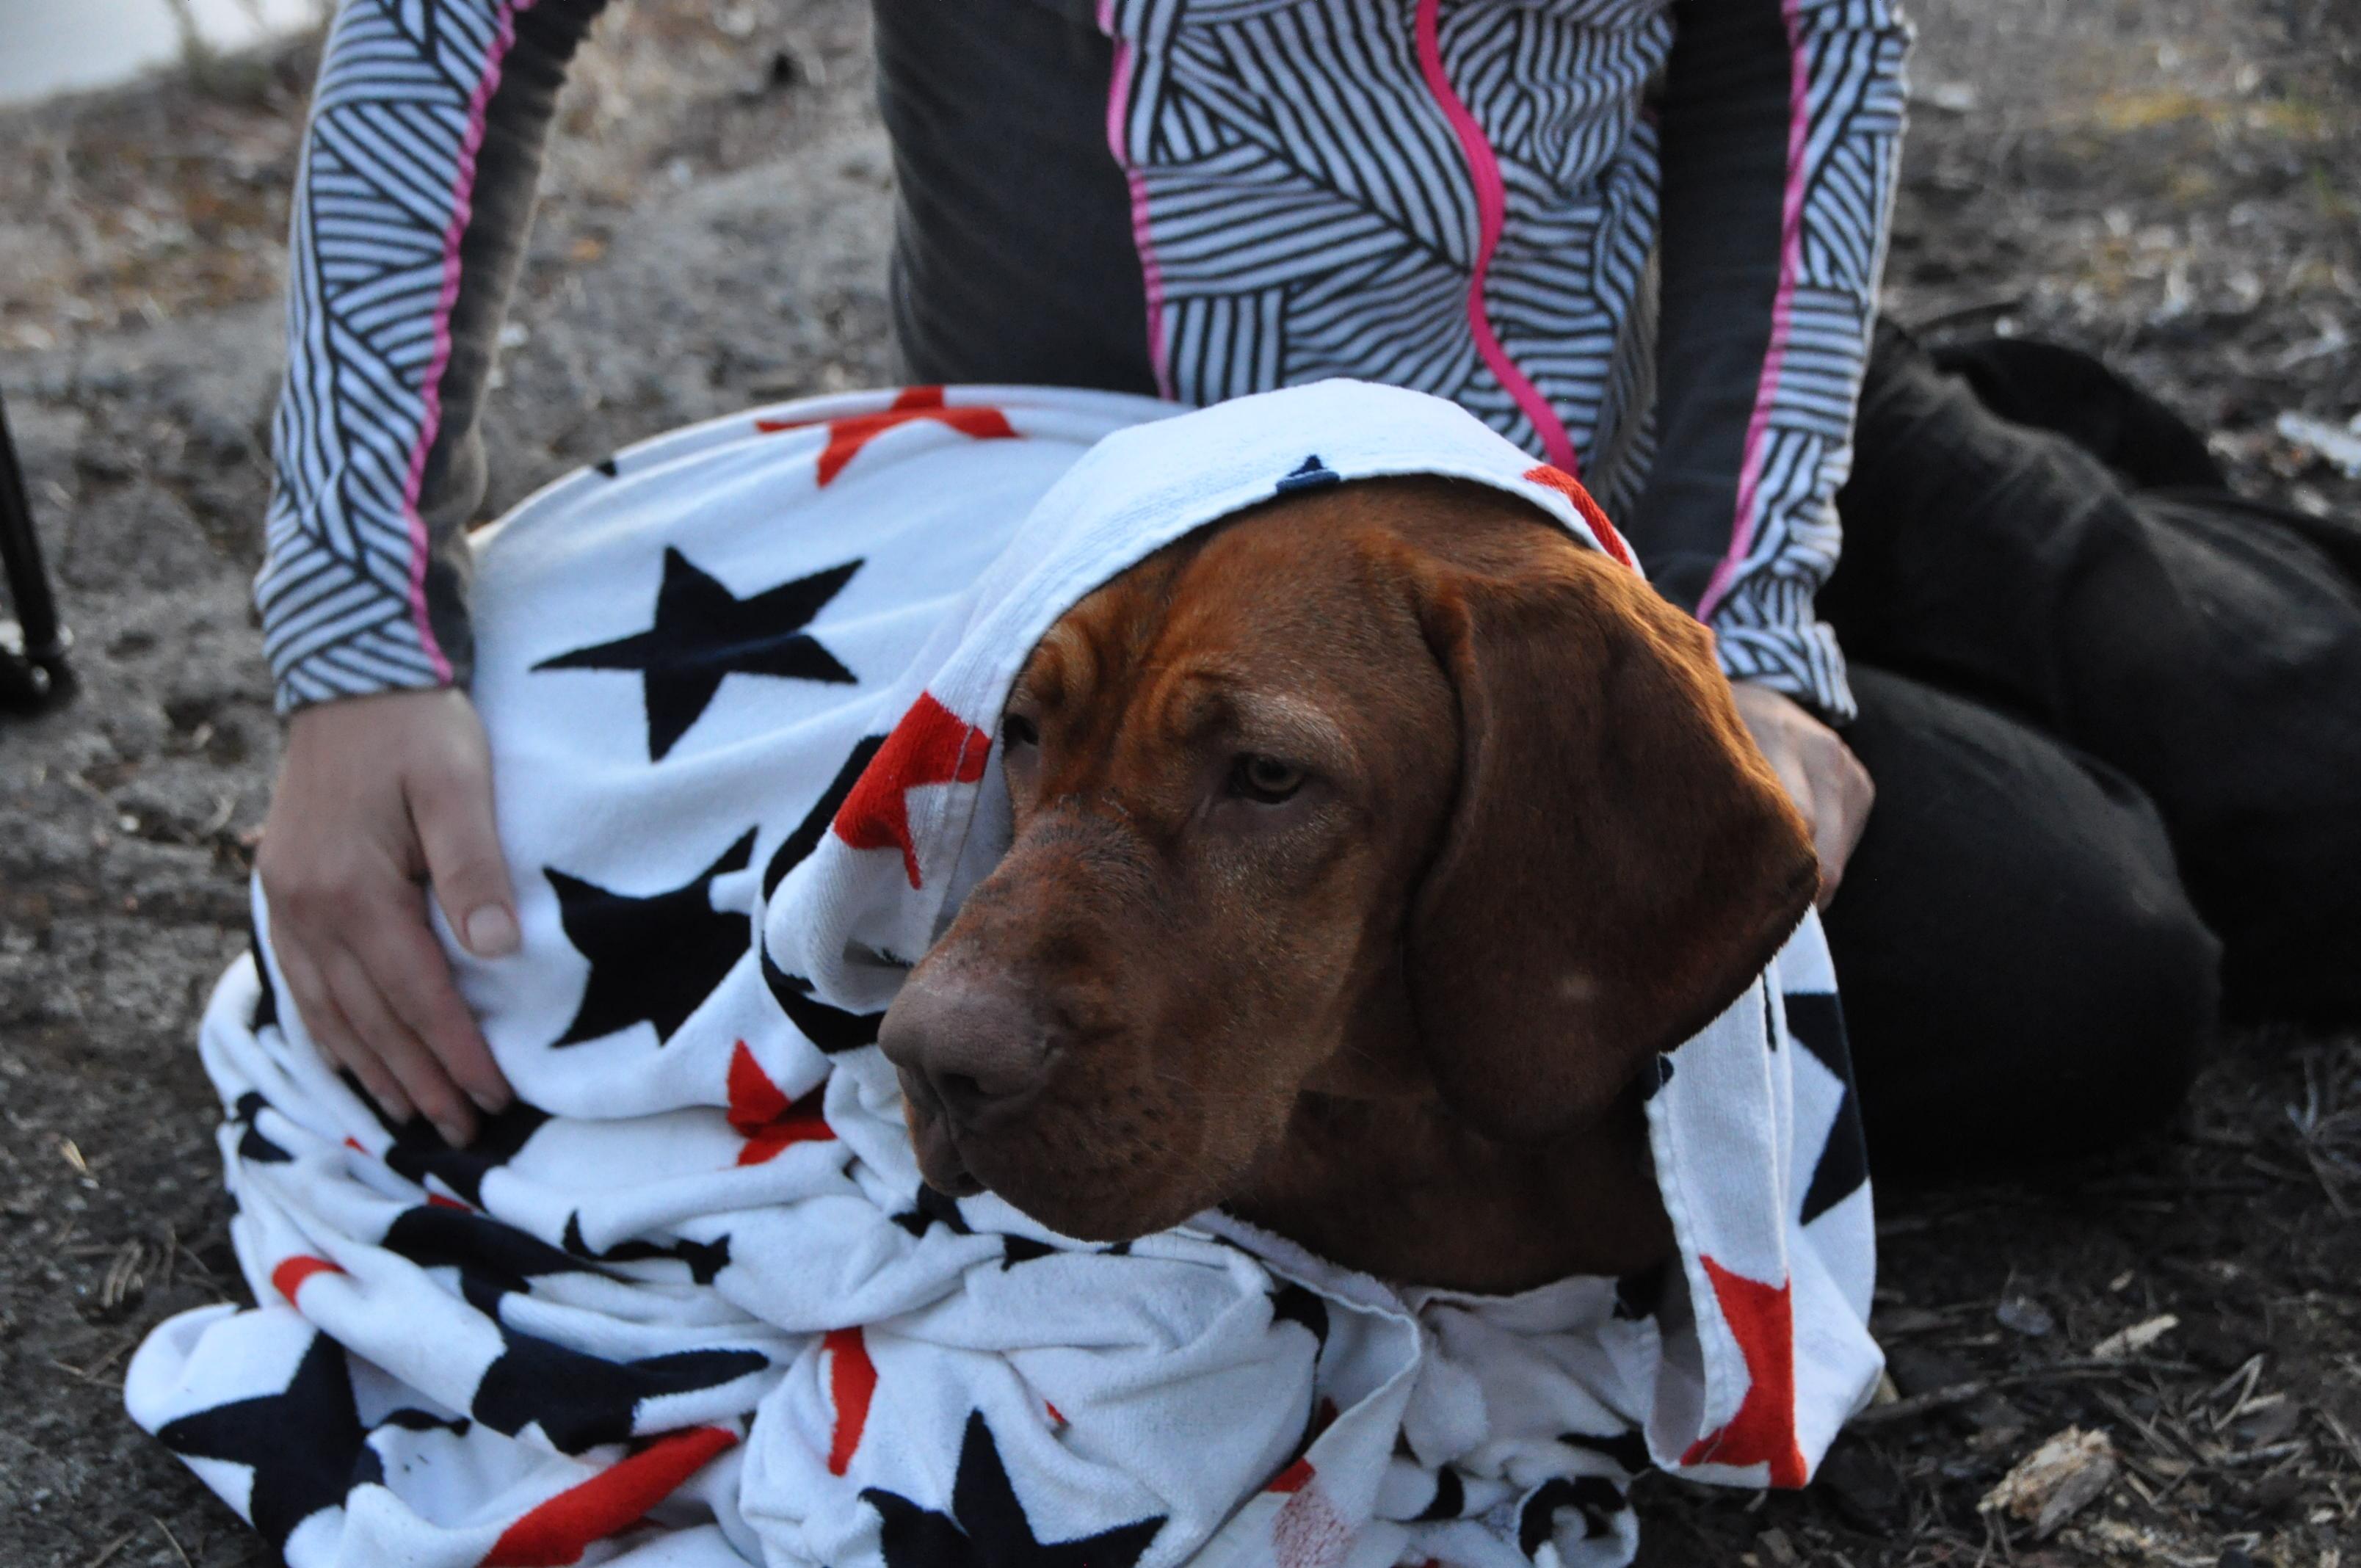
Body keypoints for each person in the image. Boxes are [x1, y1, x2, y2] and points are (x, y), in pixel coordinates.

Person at [251, 0, 2361, 1171]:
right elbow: (454, 26)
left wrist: (1756, 622)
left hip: (1695, 408)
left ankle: (2038, 488)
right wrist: (357, 629)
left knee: (2327, 804)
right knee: (2092, 979)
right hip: (1235, 566)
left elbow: (1796, 33)